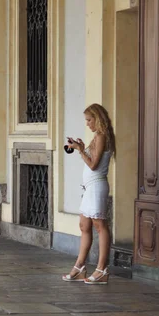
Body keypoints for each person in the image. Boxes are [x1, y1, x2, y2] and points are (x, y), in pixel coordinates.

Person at [62, 103, 116, 284]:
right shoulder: (97, 137)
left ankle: (102, 270)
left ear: (97, 118)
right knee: (84, 226)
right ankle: (79, 267)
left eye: (89, 120)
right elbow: (93, 161)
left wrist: (79, 151)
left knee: (100, 226)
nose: (87, 123)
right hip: (89, 188)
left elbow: (93, 165)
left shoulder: (101, 136)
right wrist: (82, 148)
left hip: (96, 187)